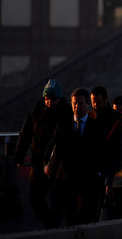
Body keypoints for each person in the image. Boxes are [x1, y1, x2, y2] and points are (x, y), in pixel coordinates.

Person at [15, 79, 71, 228]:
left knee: (56, 198)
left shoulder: (66, 112)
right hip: (38, 160)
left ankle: (53, 226)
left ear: (59, 98)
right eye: (48, 99)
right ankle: (51, 224)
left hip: (57, 162)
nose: (50, 102)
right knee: (35, 198)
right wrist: (20, 155)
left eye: (53, 99)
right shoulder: (37, 109)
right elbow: (25, 132)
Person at [45, 88, 104, 226]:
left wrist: (99, 172)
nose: (77, 107)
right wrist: (47, 165)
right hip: (67, 181)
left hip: (88, 180)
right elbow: (54, 148)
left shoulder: (96, 126)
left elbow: (101, 151)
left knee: (87, 219)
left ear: (87, 104)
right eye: (74, 103)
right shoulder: (63, 125)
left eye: (81, 103)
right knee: (71, 220)